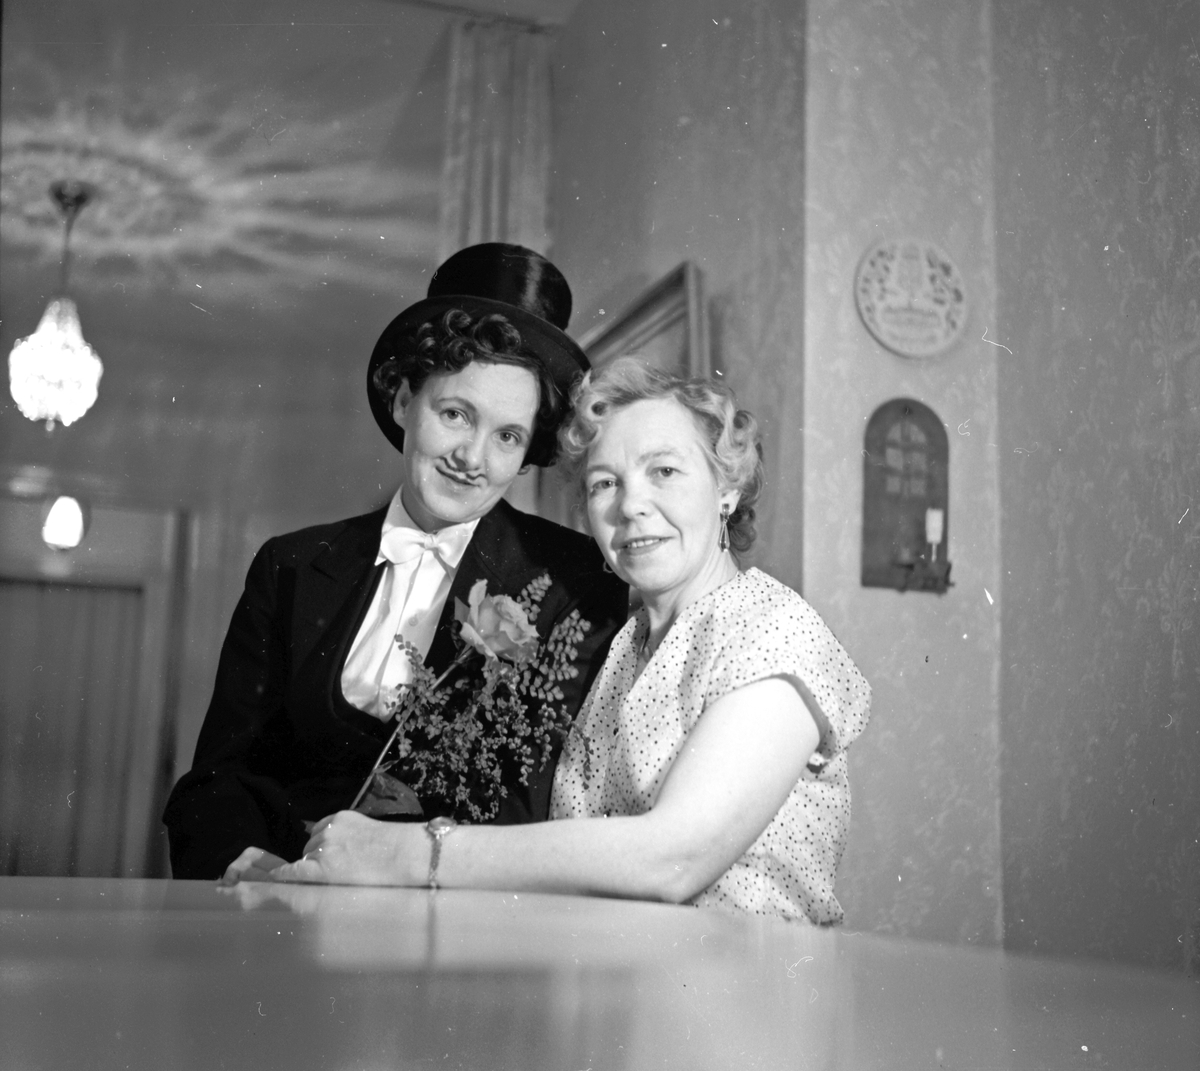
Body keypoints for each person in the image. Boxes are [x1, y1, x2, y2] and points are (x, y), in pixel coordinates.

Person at [233, 358, 871, 925]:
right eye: (604, 483)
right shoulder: (621, 646)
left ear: (727, 490)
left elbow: (674, 858)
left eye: (665, 471)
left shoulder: (770, 628)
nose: (631, 506)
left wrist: (408, 854)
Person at [164, 244, 629, 880]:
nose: (472, 457)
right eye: (455, 414)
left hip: (457, 924)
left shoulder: (573, 580)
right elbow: (217, 782)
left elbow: (537, 806)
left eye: (507, 436)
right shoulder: (291, 566)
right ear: (404, 401)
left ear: (527, 454)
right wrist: (255, 872)